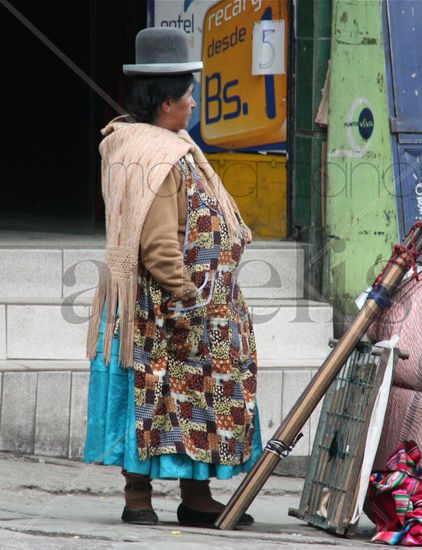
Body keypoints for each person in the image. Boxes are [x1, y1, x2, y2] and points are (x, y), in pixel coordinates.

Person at [83, 27, 261, 527]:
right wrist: (189, 297)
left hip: (186, 302)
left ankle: (194, 497)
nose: (194, 106)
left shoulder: (156, 144)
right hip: (165, 308)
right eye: (188, 97)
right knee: (157, 396)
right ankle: (140, 498)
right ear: (165, 102)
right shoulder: (155, 158)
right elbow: (159, 244)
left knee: (195, 398)